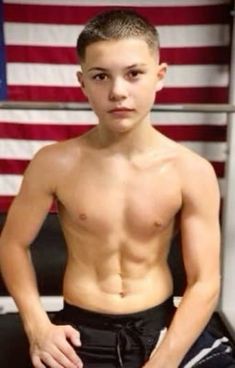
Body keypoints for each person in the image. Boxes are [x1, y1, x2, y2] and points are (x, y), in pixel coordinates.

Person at [0, 8, 234, 368]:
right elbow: (12, 243)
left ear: (159, 76)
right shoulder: (53, 163)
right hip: (80, 329)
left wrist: (167, 359)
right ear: (82, 83)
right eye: (100, 76)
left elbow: (205, 280)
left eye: (134, 74)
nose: (117, 92)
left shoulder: (191, 171)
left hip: (162, 329)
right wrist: (37, 326)